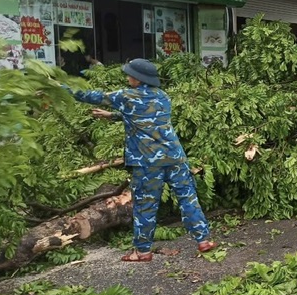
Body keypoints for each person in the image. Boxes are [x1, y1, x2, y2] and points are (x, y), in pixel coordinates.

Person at [65, 58, 217, 262]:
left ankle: (142, 251)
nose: (127, 77)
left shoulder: (126, 96)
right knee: (188, 198)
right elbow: (145, 116)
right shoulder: (162, 96)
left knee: (145, 205)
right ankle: (204, 240)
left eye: (130, 75)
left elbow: (89, 96)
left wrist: (58, 88)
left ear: (138, 78)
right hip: (175, 157)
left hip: (148, 162)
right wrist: (112, 116)